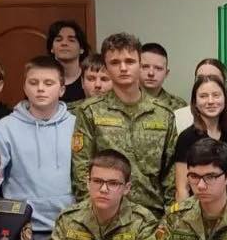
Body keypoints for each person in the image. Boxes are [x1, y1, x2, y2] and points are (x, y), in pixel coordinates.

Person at [71, 32, 177, 216]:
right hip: (106, 216)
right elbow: (81, 170)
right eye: (114, 63)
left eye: (130, 61)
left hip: (152, 215)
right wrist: (95, 216)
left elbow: (171, 174)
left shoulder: (163, 113)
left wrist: (169, 219)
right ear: (105, 68)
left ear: (140, 65)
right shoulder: (90, 111)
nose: (123, 68)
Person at [0, 56, 75, 240]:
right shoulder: (4, 129)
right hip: (21, 230)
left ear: (62, 89)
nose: (40, 88)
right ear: (25, 88)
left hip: (70, 227)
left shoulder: (77, 126)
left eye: (48, 83)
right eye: (33, 83)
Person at [173, 74, 227, 199]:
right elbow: (182, 188)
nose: (210, 101)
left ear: (225, 99)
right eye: (203, 96)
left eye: (216, 95)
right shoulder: (186, 138)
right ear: (195, 102)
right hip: (198, 206)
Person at [172, 59, 227, 134]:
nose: (207, 81)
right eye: (200, 78)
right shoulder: (178, 117)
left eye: (213, 78)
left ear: (225, 83)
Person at [47, 19, 91, 104]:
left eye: (71, 40)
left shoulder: (91, 79)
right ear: (52, 48)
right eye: (58, 40)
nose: (64, 43)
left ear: (81, 49)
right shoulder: (42, 79)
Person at [140, 42, 187, 111]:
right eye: (145, 67)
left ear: (166, 73)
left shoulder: (179, 106)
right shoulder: (124, 100)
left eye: (158, 68)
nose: (151, 73)